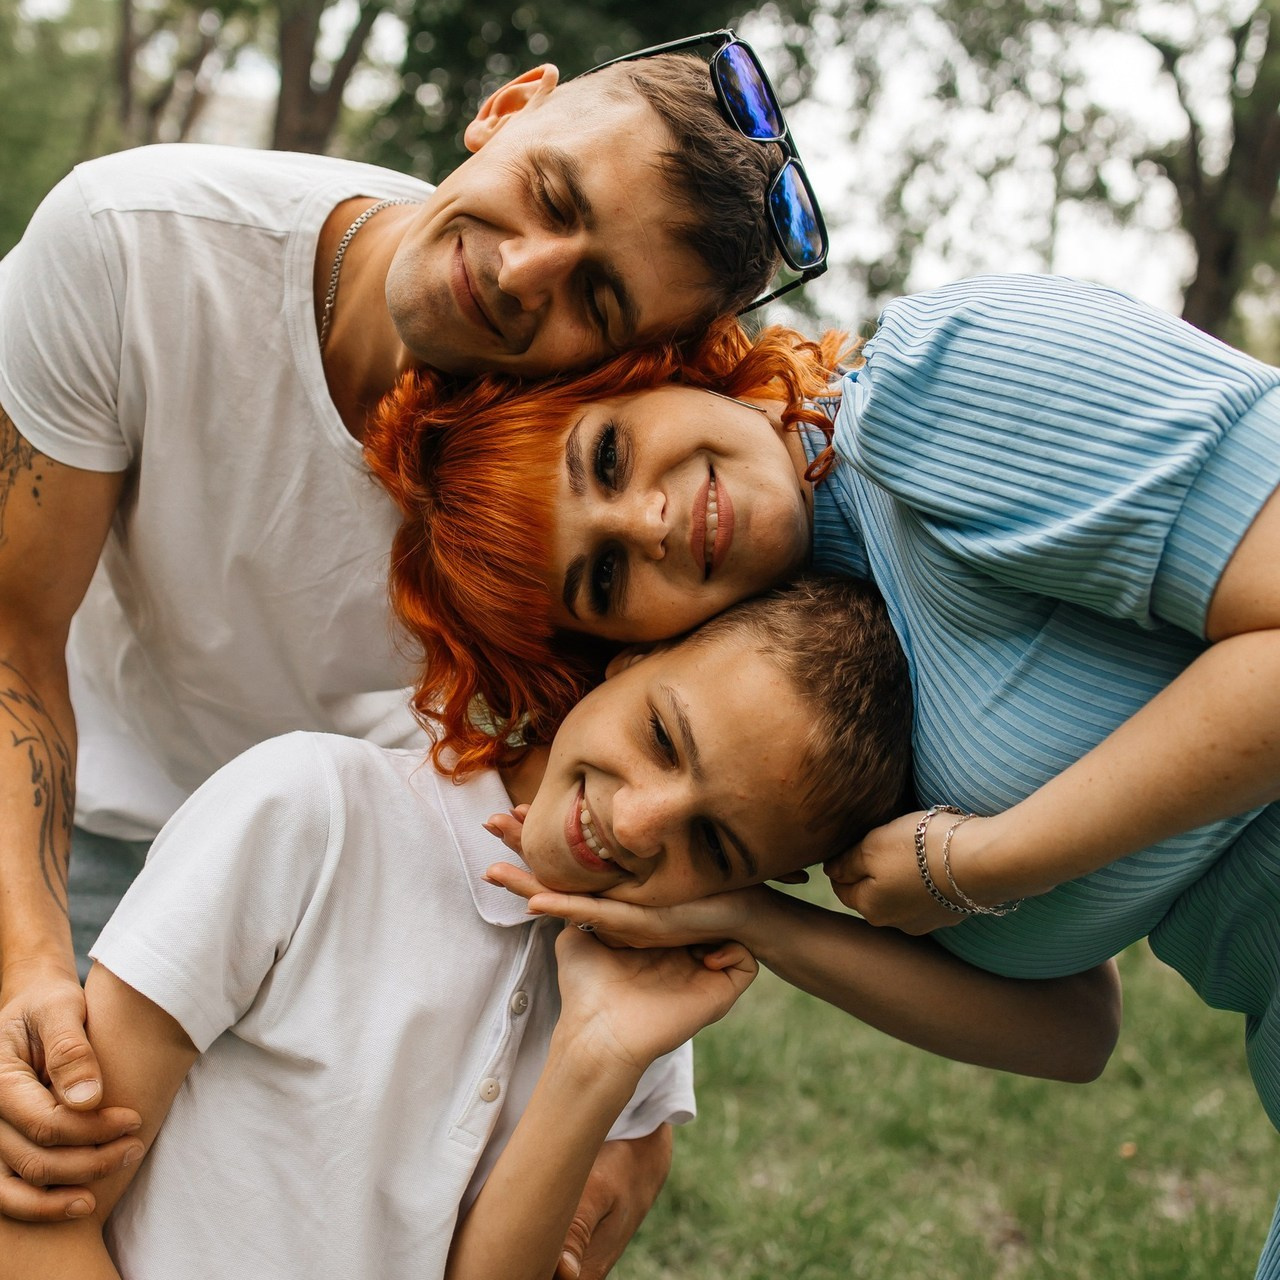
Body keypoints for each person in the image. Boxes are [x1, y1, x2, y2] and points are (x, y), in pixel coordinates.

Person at [0, 31, 811, 1257]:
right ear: (508, 107)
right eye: (551, 194)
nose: (523, 270)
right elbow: (13, 630)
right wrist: (26, 961)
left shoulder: (581, 479)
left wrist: (624, 1112)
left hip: (377, 902)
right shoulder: (132, 239)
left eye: (594, 296)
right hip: (85, 825)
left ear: (630, 355)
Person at [355, 272, 1280, 1275]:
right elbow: (1074, 1027)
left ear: (644, 370)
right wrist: (758, 918)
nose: (653, 522)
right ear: (614, 642)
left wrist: (986, 860)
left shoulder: (944, 379)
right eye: (606, 575)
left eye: (608, 455)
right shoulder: (795, 696)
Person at [0, 577, 1120, 1279]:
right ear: (629, 657)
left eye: (716, 847)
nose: (634, 821)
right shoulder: (308, 813)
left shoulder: (636, 997)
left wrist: (598, 1055)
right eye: (663, 735)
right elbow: (38, 1210)